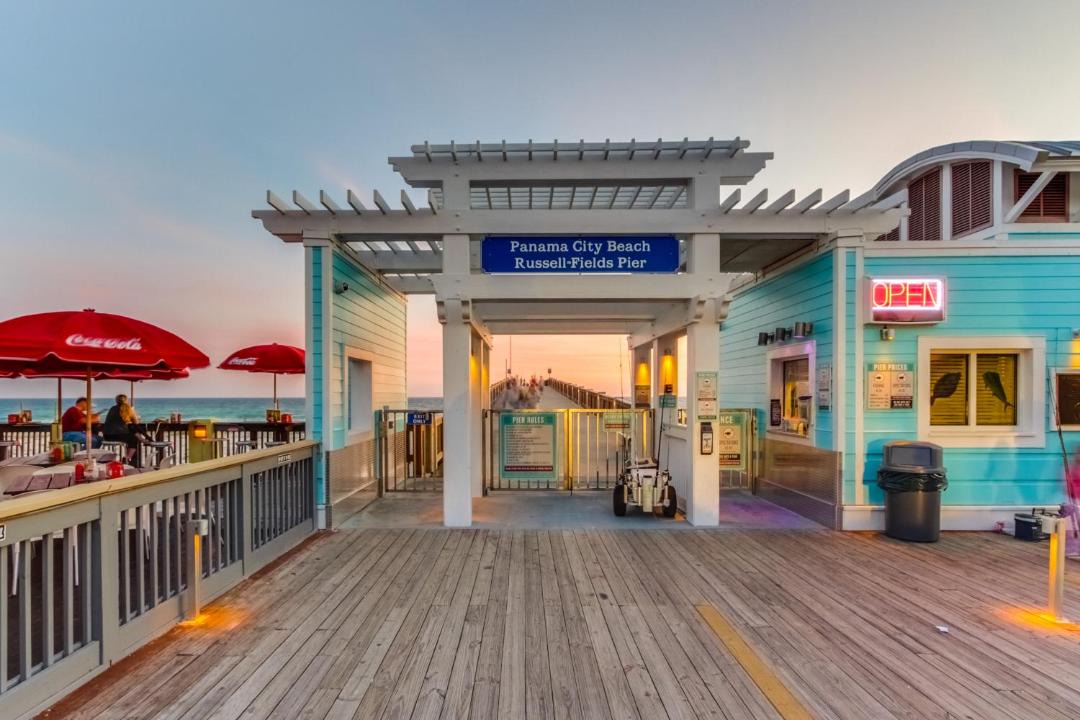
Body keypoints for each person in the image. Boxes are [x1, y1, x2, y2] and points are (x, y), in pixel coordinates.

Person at [103, 394, 143, 464]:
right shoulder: (128, 408)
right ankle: (127, 458)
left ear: (116, 401)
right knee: (134, 438)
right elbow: (135, 421)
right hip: (119, 435)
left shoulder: (112, 408)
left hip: (107, 436)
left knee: (132, 435)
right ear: (127, 400)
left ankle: (127, 458)